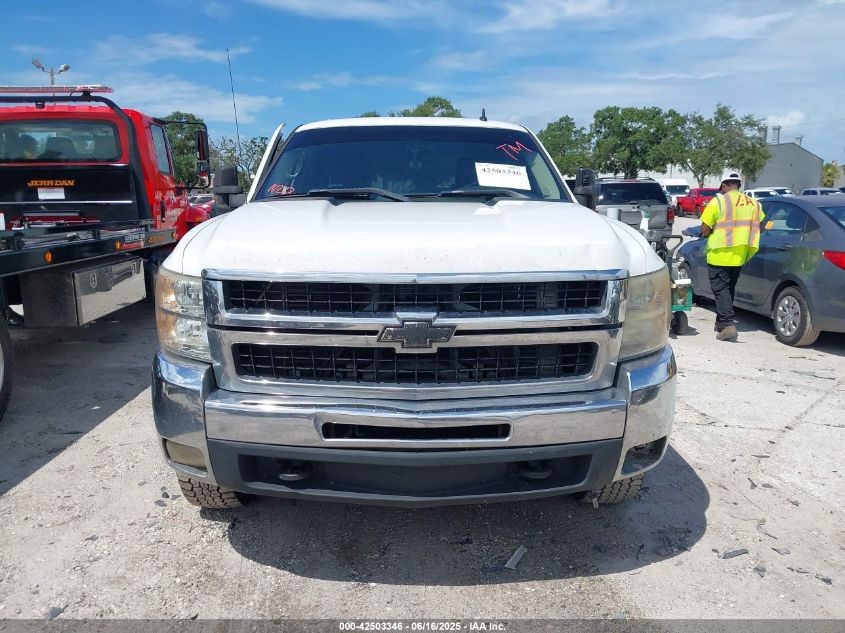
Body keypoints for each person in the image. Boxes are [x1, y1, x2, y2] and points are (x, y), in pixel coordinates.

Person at [698, 173, 764, 341]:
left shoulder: (718, 201)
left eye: (722, 187)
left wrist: (707, 233)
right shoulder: (754, 203)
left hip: (720, 252)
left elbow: (705, 228)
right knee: (728, 288)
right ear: (739, 185)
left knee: (720, 289)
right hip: (741, 253)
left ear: (725, 185)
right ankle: (721, 322)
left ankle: (727, 324)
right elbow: (760, 225)